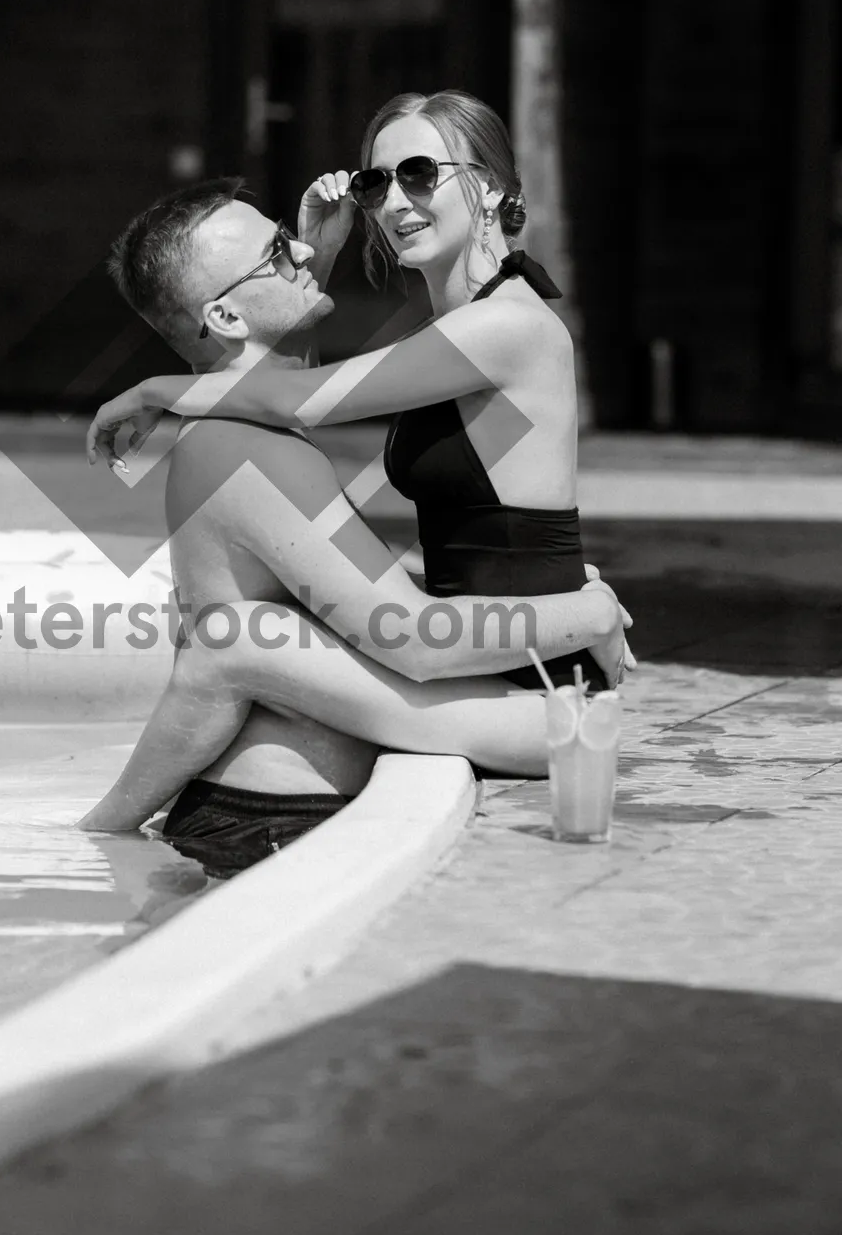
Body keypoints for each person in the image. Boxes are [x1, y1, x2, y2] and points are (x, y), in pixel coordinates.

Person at [78, 143, 629, 872]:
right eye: (278, 249)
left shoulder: (242, 432)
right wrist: (586, 612)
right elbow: (417, 639)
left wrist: (318, 259)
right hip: (268, 825)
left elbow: (285, 384)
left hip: (260, 815)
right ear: (223, 312)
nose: (301, 246)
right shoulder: (240, 447)